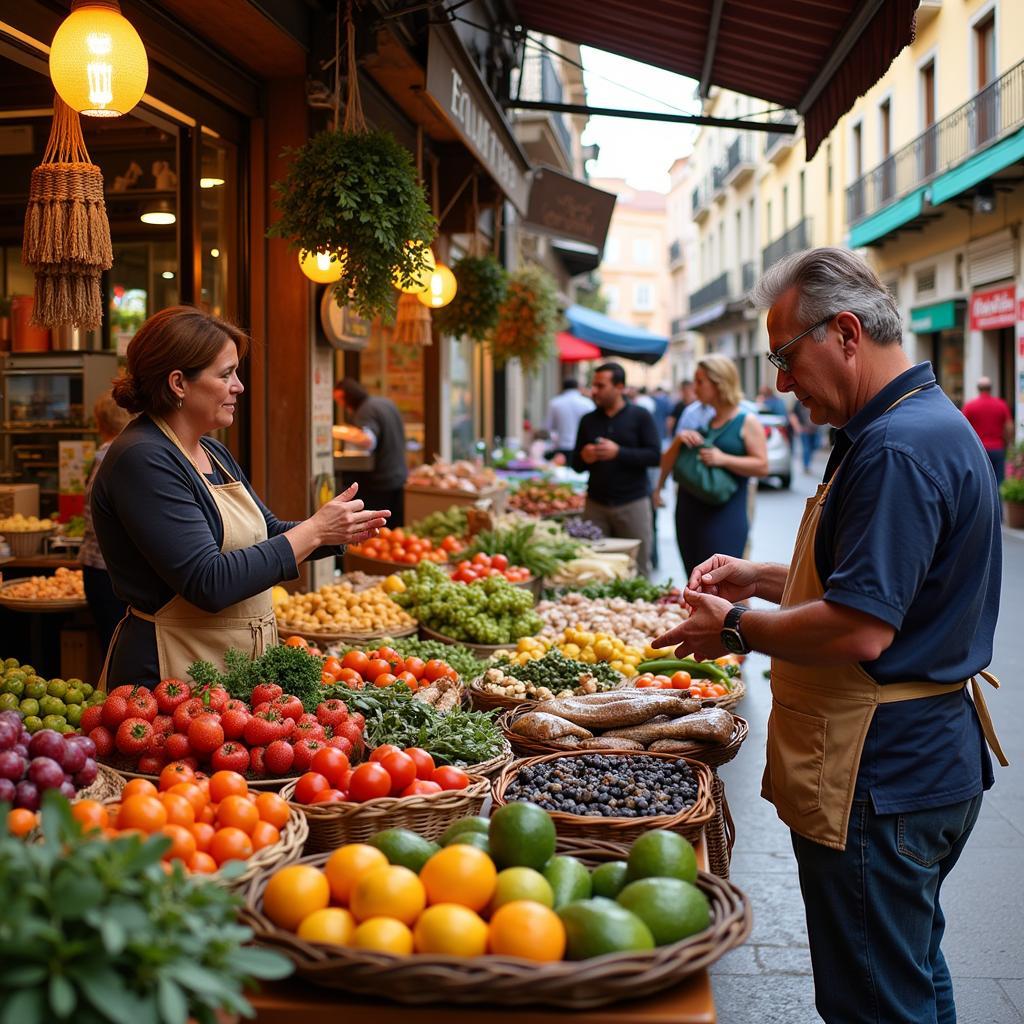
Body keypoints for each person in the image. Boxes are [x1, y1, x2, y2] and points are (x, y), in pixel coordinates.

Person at [652, 248, 1006, 1024]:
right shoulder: (914, 425)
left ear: (844, 332)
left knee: (874, 1000)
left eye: (785, 357)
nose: (780, 383)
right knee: (907, 971)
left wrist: (737, 627)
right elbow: (883, 588)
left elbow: (860, 627)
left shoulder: (895, 448)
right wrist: (764, 578)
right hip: (923, 761)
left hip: (882, 775)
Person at [92, 307, 389, 687]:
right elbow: (208, 581)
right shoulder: (142, 458)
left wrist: (336, 531)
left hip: (228, 669)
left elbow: (267, 531)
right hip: (170, 677)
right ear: (179, 383)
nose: (239, 386)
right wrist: (314, 531)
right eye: (226, 374)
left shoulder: (213, 451)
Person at [653, 355, 767, 576]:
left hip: (724, 512)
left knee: (720, 582)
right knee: (695, 580)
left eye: (700, 381)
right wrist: (678, 441)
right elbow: (668, 460)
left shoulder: (747, 421)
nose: (694, 388)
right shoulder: (701, 419)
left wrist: (722, 459)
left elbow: (762, 466)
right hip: (689, 510)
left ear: (719, 382)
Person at [571, 362, 661, 574]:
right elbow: (576, 465)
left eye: (601, 386)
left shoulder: (640, 416)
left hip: (633, 504)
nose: (594, 391)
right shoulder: (588, 420)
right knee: (594, 569)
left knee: (637, 568)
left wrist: (619, 452)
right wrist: (585, 457)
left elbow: (655, 456)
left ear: (619, 387)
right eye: (594, 385)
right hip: (596, 505)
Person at [79, 391, 133, 657]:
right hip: (111, 570)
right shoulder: (120, 458)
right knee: (119, 650)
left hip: (99, 569)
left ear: (99, 423)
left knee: (111, 646)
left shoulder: (106, 456)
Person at [334, 377, 409, 526]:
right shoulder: (385, 402)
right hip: (398, 476)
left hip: (380, 482)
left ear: (345, 396)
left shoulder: (365, 410)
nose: (340, 404)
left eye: (339, 400)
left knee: (379, 533)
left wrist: (335, 431)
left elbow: (368, 440)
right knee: (394, 531)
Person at [962, 376, 1014, 483]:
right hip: (998, 448)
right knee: (999, 481)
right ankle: (998, 500)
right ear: (991, 388)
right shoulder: (1001, 405)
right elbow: (1009, 427)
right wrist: (1008, 443)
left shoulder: (970, 406)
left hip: (978, 449)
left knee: (982, 481)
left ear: (978, 388)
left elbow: (963, 427)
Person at [545, 378, 595, 461]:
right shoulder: (588, 403)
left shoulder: (555, 403)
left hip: (562, 446)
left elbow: (549, 426)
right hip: (582, 448)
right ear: (577, 387)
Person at [789, 395, 819, 472]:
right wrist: (797, 426)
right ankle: (806, 465)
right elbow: (792, 415)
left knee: (816, 445)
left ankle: (808, 460)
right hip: (804, 429)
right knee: (806, 448)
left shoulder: (816, 399)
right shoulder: (798, 402)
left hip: (814, 429)